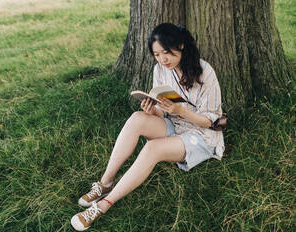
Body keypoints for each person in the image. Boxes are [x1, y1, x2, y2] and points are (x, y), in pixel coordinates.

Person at [70, 23, 225, 231]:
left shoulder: (205, 71)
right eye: (157, 54)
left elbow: (210, 121)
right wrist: (153, 111)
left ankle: (103, 206)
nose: (163, 60)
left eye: (167, 53)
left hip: (201, 136)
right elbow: (164, 111)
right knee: (137, 118)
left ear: (180, 45)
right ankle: (105, 183)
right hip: (176, 124)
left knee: (152, 148)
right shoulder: (160, 69)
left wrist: (181, 111)